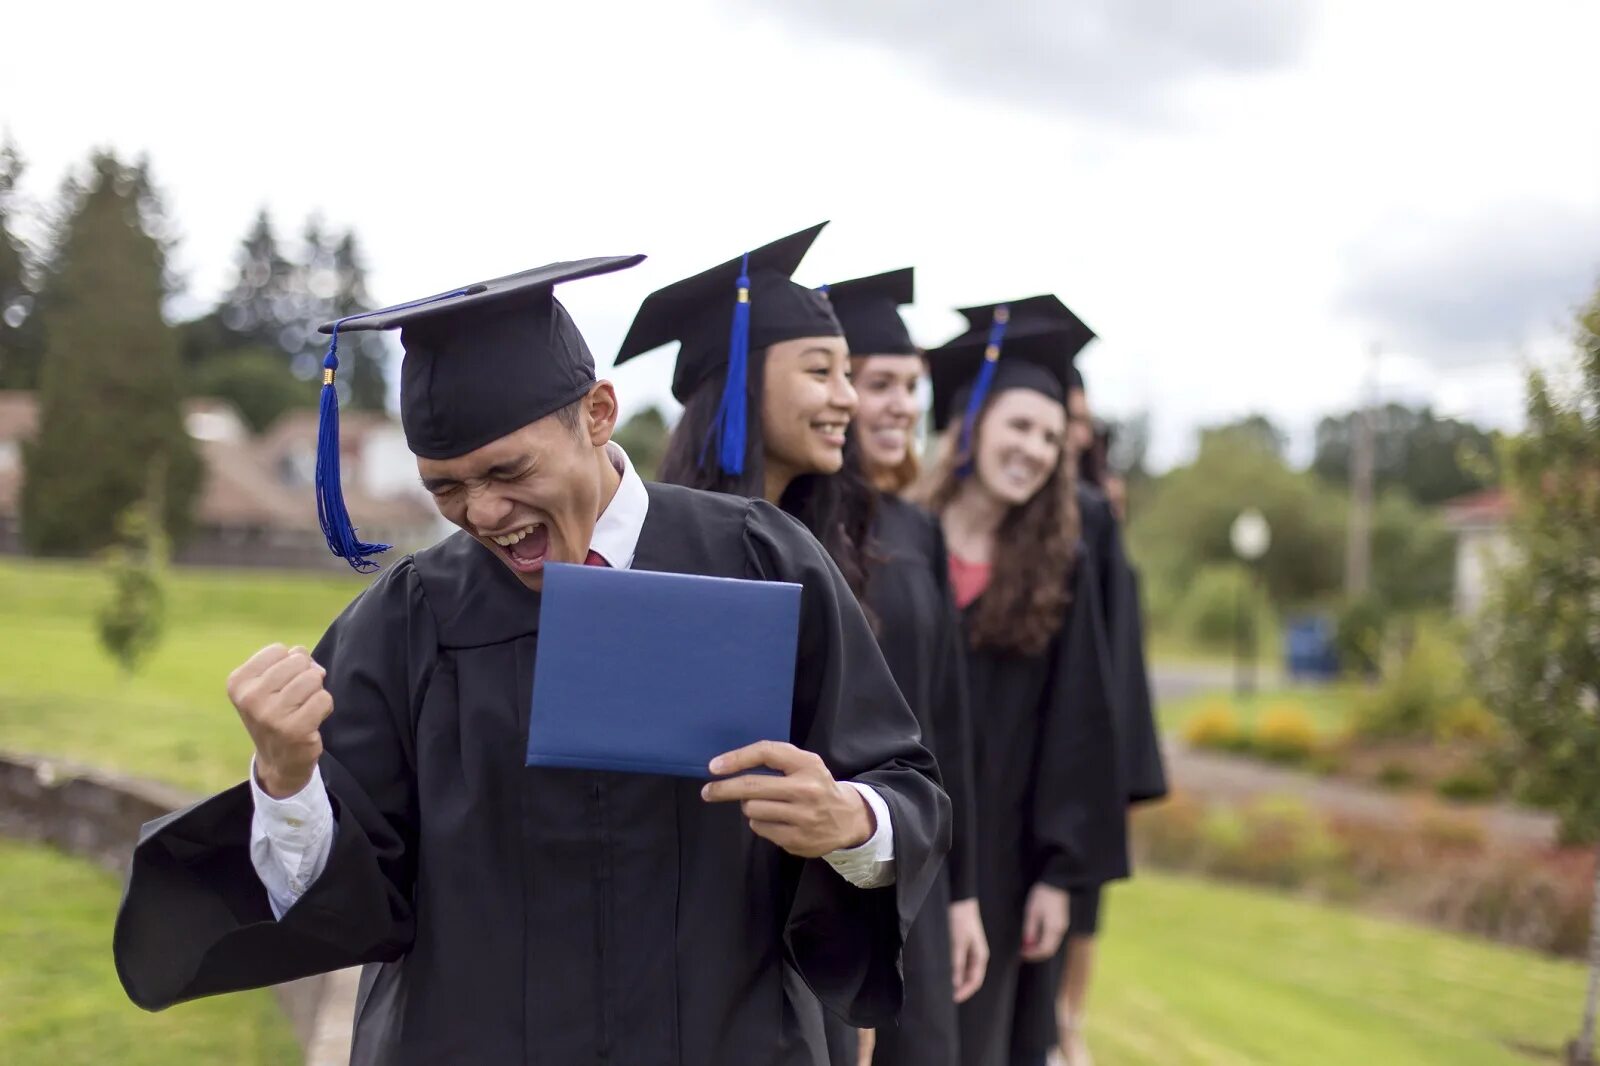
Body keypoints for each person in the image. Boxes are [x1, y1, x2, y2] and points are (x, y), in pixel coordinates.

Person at [113, 254, 951, 1066]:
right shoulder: (414, 617)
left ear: (597, 414)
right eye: (444, 487)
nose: (482, 511)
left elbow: (905, 789)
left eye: (507, 470)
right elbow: (353, 898)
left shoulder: (757, 558)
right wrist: (286, 780)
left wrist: (850, 820)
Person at [911, 295, 1128, 1066]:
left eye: (1048, 436)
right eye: (1019, 427)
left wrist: (1059, 877)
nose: (1035, 450)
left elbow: (1079, 727)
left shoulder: (1058, 570)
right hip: (900, 838)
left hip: (1004, 860)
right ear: (970, 427)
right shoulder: (904, 539)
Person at [822, 268, 987, 1066]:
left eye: (912, 385)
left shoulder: (918, 531)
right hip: (816, 868)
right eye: (879, 382)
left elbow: (949, 726)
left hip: (910, 867)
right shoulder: (788, 526)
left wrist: (965, 896)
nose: (901, 404)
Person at [1010, 363, 1168, 1066]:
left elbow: (1114, 647)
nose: (1067, 432)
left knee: (1080, 894)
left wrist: (1125, 762)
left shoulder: (1093, 511)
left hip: (1084, 729)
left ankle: (1066, 1022)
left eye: (1071, 420)